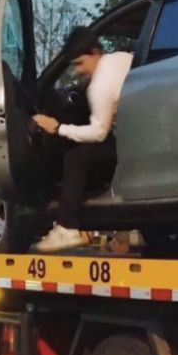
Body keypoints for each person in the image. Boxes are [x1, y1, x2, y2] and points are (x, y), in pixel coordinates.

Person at [30, 27, 133, 253]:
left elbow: (99, 132)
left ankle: (67, 227)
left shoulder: (99, 86)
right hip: (143, 136)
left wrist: (58, 128)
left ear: (95, 52)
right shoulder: (123, 58)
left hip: (126, 144)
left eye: (80, 63)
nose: (78, 71)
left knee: (76, 158)